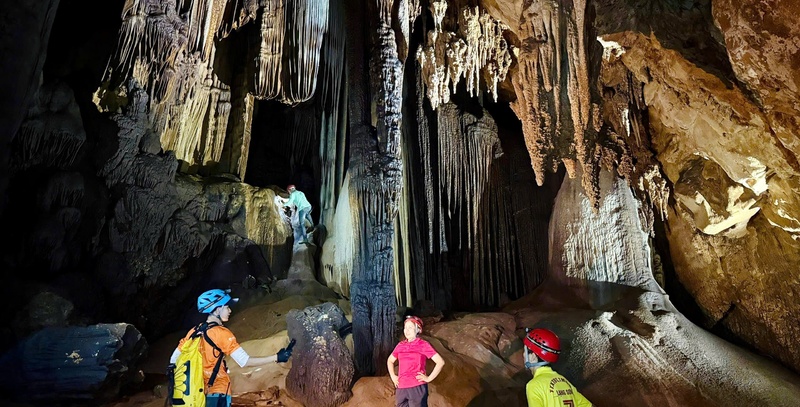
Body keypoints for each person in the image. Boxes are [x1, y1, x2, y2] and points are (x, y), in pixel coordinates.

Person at [169, 289, 294, 407]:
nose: (229, 310)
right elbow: (244, 362)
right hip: (217, 390)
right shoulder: (221, 334)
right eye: (226, 307)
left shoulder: (194, 331)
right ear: (217, 310)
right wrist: (277, 357)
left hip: (194, 391)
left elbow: (174, 359)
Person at [523, 328, 592, 407]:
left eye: (524, 352)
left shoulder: (534, 385)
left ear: (533, 356)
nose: (523, 356)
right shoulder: (563, 381)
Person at [387, 316, 445, 407]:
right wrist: (393, 376)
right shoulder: (400, 345)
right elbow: (390, 360)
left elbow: (440, 362)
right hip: (401, 387)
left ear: (418, 329)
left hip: (416, 386)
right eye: (405, 328)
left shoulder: (423, 345)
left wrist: (429, 378)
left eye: (410, 327)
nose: (407, 330)